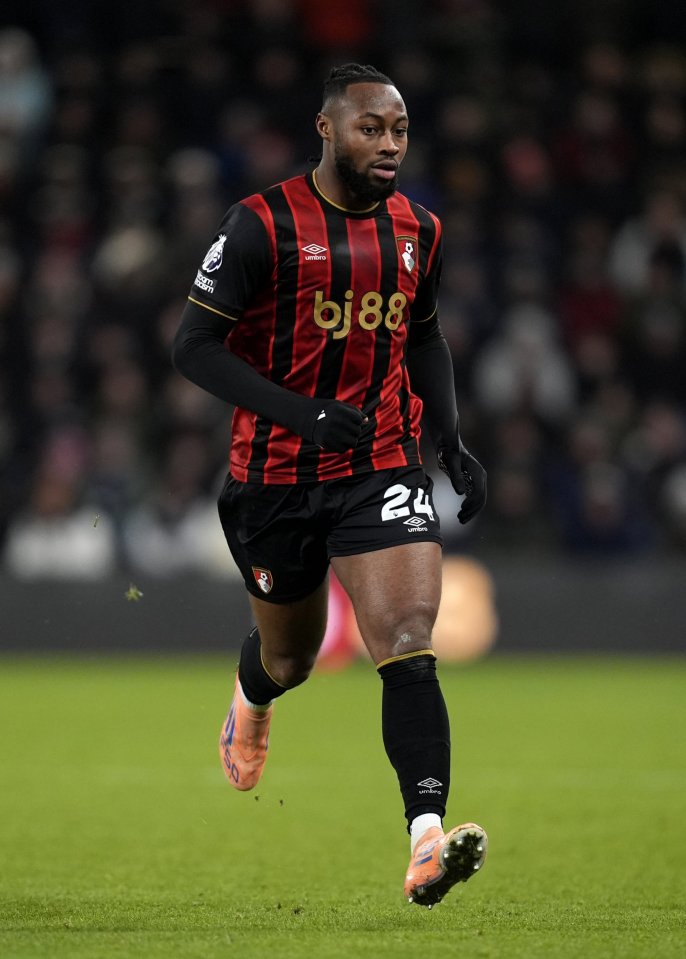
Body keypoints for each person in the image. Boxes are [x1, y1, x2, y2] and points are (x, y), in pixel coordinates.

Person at [172, 63, 488, 908]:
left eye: (399, 131)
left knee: (409, 640)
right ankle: (252, 697)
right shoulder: (260, 225)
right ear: (326, 129)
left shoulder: (418, 227)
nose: (388, 146)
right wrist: (302, 414)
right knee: (291, 655)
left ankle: (427, 840)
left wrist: (449, 440)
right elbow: (192, 349)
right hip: (273, 477)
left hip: (380, 465)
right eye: (370, 129)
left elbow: (424, 339)